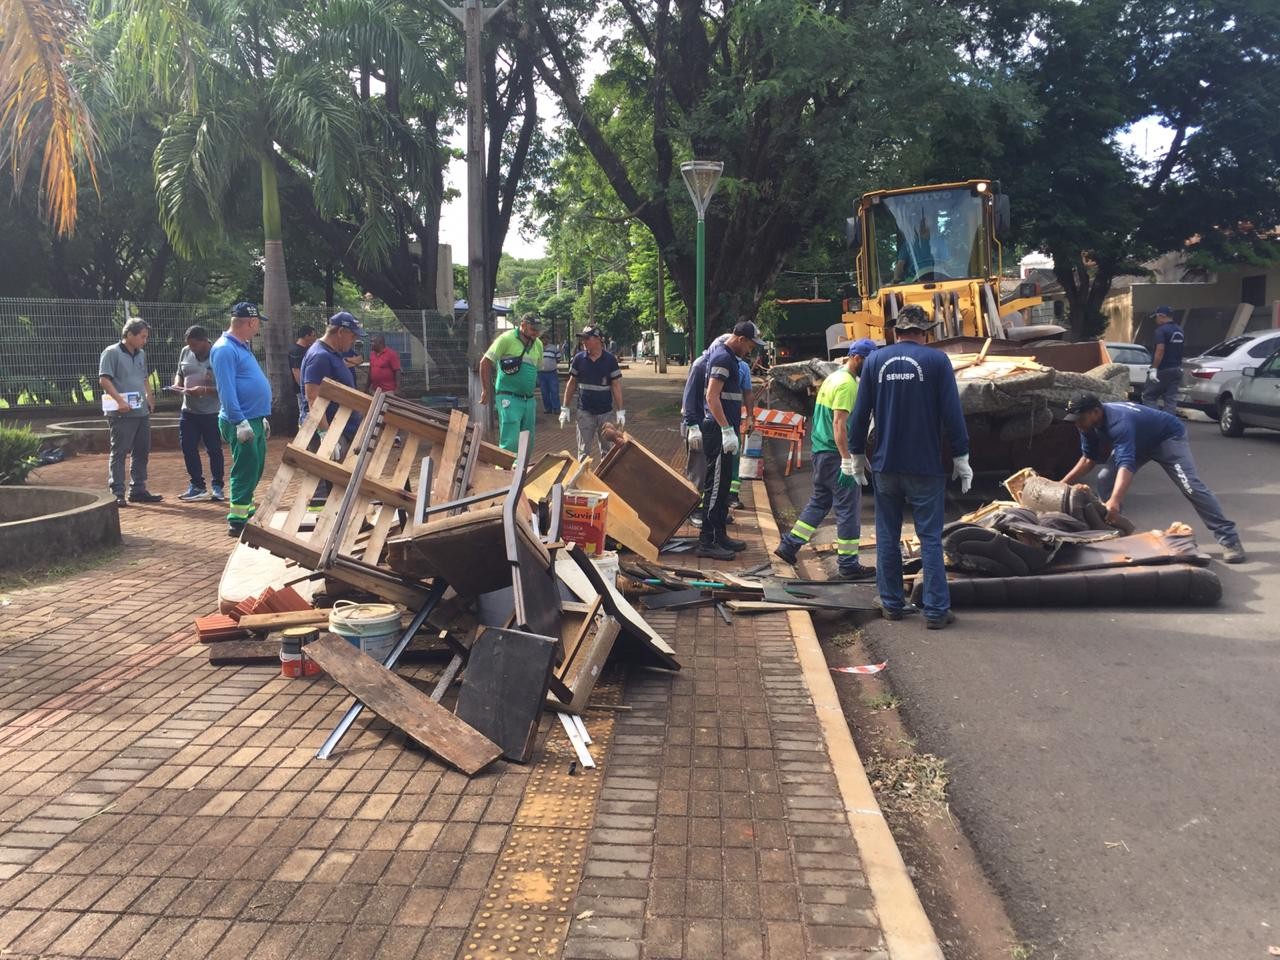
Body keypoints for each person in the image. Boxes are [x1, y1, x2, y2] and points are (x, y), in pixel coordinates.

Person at [849, 305, 970, 629]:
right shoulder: (937, 361)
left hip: (886, 465)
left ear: (896, 331)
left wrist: (856, 454)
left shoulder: (874, 361)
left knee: (887, 536)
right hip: (925, 466)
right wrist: (961, 455)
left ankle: (891, 604)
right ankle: (936, 611)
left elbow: (859, 414)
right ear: (924, 332)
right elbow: (952, 413)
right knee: (929, 539)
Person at [1059, 392, 1246, 563]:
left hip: (1167, 438)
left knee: (1191, 486)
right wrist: (1060, 484)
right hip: (1138, 441)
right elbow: (1088, 459)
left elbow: (1126, 464)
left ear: (1095, 412)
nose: (1078, 424)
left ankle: (1229, 539)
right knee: (1105, 478)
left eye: (1081, 419)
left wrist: (1114, 500)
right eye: (1075, 420)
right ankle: (1118, 535)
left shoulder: (1119, 422)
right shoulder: (1086, 425)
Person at [775, 339, 878, 579]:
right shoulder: (847, 386)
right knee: (848, 509)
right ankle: (848, 564)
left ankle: (789, 545)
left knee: (820, 502)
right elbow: (839, 424)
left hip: (821, 451)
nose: (871, 368)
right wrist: (847, 459)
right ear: (857, 358)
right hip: (835, 455)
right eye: (870, 362)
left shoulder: (833, 378)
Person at [698, 321, 766, 560]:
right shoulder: (723, 359)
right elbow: (712, 396)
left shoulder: (731, 360)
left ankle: (719, 534)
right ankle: (707, 540)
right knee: (715, 487)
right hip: (718, 431)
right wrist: (726, 429)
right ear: (740, 339)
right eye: (749, 345)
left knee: (724, 485)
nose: (750, 351)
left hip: (725, 430)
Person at [209, 302, 272, 537]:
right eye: (257, 324)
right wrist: (239, 421)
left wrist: (259, 416)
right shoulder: (225, 349)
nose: (258, 329)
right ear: (251, 322)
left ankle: (246, 509)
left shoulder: (241, 346)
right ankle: (237, 520)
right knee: (245, 467)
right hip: (240, 420)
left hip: (253, 417)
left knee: (255, 465)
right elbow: (226, 389)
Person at [98, 317, 162, 506]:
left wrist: (149, 397)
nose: (145, 341)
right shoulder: (111, 353)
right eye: (142, 336)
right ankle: (117, 492)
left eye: (146, 337)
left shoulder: (141, 354)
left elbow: (144, 378)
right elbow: (104, 380)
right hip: (121, 413)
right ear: (129, 334)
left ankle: (138, 489)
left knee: (142, 451)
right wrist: (119, 401)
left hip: (141, 411)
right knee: (119, 452)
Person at [680, 334, 731, 527]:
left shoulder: (720, 366)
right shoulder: (700, 365)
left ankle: (709, 510)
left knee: (710, 472)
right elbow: (689, 399)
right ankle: (693, 510)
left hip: (710, 428)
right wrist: (692, 426)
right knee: (697, 471)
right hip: (697, 426)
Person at [480, 314, 544, 453]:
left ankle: (522, 466)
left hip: (529, 400)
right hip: (509, 397)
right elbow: (485, 362)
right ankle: (504, 466)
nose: (536, 333)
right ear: (523, 325)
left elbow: (537, 369)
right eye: (533, 329)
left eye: (538, 330)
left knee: (528, 441)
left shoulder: (538, 344)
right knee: (511, 441)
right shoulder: (506, 339)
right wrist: (485, 390)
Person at [174, 325, 224, 502]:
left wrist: (204, 390)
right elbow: (180, 373)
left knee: (214, 449)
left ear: (204, 341)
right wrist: (178, 385)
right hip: (189, 411)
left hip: (212, 412)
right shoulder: (185, 352)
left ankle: (217, 486)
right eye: (189, 345)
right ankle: (197, 485)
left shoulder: (218, 354)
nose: (192, 348)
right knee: (188, 447)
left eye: (195, 345)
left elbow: (226, 387)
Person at [561, 325, 624, 462]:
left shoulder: (610, 360)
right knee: (583, 452)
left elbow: (616, 385)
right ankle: (583, 475)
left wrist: (620, 411)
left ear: (598, 339)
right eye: (582, 338)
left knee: (608, 452)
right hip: (585, 412)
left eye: (587, 338)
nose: (583, 341)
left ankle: (605, 475)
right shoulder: (579, 359)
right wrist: (564, 407)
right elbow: (572, 383)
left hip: (605, 413)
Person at [1143, 305, 1184, 412]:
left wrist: (1154, 368)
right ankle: (1169, 421)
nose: (1156, 320)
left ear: (1162, 316)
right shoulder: (1180, 330)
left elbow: (1160, 350)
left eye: (1156, 317)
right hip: (1176, 369)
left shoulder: (1161, 331)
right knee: (1170, 400)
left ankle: (1156, 419)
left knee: (1149, 397)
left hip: (1162, 369)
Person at [289, 325, 317, 426]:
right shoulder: (296, 351)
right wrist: (303, 388)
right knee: (304, 412)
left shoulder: (306, 349)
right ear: (306, 336)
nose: (314, 338)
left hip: (308, 387)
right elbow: (296, 371)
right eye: (313, 335)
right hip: (302, 389)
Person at [538, 332, 563, 415]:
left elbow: (558, 359)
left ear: (548, 339)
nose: (544, 340)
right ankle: (548, 408)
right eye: (542, 338)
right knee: (544, 392)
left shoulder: (553, 348)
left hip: (552, 373)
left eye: (546, 338)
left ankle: (556, 408)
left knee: (554, 391)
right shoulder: (537, 348)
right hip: (541, 374)